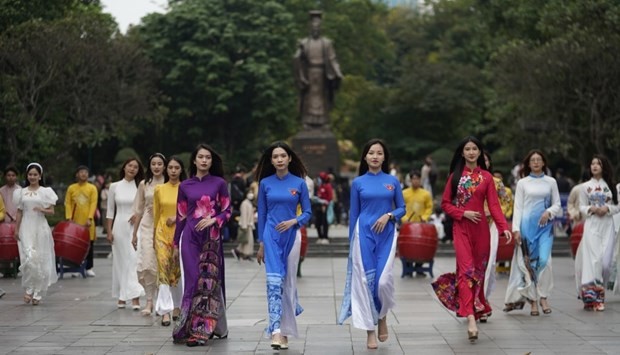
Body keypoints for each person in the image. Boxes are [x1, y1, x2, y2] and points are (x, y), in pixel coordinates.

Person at [432, 136, 511, 342]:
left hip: (482, 231)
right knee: (466, 271)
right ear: (462, 153)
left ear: (479, 152)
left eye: (474, 148)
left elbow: (494, 205)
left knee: (478, 273)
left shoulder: (486, 177)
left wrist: (504, 227)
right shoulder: (455, 177)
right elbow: (445, 204)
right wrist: (462, 213)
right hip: (461, 229)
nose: (471, 152)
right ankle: (470, 319)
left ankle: (475, 307)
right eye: (467, 149)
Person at [338, 139, 406, 350]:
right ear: (365, 157)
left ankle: (383, 315)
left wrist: (388, 215)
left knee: (383, 281)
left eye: (379, 153)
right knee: (366, 283)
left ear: (384, 157)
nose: (375, 156)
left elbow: (402, 208)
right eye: (371, 153)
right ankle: (370, 330)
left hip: (386, 235)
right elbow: (354, 214)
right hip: (363, 235)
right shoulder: (358, 183)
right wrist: (351, 243)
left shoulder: (392, 181)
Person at [172, 144, 232, 346]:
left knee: (208, 282)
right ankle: (186, 325)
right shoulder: (185, 186)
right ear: (194, 160)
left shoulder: (219, 183)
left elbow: (227, 211)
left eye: (208, 157)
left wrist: (214, 220)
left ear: (211, 161)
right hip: (189, 237)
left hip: (212, 238)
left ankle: (201, 331)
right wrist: (174, 243)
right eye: (201, 157)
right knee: (193, 280)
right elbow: (180, 216)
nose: (204, 160)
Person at [255, 141, 311, 350]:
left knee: (287, 284)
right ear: (271, 161)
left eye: (282, 156)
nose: (279, 159)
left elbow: (307, 212)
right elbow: (262, 214)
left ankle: (285, 332)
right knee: (273, 283)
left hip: (292, 237)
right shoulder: (265, 184)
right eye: (275, 157)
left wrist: (294, 221)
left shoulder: (299, 184)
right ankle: (275, 331)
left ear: (289, 159)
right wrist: (261, 243)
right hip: (270, 237)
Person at [503, 150, 561, 317]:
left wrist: (548, 212)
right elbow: (518, 207)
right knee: (528, 265)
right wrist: (515, 229)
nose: (536, 162)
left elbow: (557, 204)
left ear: (544, 163)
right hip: (527, 227)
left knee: (544, 261)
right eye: (532, 160)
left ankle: (543, 296)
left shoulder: (551, 182)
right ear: (528, 164)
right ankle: (534, 301)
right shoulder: (523, 183)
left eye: (539, 160)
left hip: (545, 228)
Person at [574, 155, 620, 311]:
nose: (594, 166)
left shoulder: (611, 187)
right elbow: (581, 206)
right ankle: (595, 298)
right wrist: (591, 209)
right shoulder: (585, 187)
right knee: (593, 261)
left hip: (607, 226)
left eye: (598, 164)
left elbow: (617, 206)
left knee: (606, 263)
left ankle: (596, 293)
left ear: (604, 167)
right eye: (592, 163)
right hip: (592, 225)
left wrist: (607, 209)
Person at [13, 163, 58, 305]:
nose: (32, 177)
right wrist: (16, 228)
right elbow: (19, 211)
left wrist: (41, 209)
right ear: (27, 176)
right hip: (26, 226)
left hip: (40, 227)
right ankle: (29, 288)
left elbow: (52, 211)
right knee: (28, 257)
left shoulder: (46, 192)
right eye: (30, 174)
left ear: (40, 176)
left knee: (41, 259)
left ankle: (38, 291)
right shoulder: (21, 192)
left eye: (35, 174)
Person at [106, 158, 146, 310]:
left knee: (133, 260)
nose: (132, 169)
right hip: (119, 227)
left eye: (136, 167)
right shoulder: (114, 186)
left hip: (136, 228)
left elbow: (145, 207)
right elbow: (110, 211)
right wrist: (109, 231)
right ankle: (122, 295)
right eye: (130, 166)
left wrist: (137, 215)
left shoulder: (140, 186)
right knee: (121, 262)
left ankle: (135, 297)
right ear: (124, 167)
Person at [293, 10, 343, 130]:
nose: (315, 29)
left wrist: (338, 73)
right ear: (310, 28)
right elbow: (296, 58)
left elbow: (332, 59)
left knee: (322, 98)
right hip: (309, 73)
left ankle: (324, 122)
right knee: (308, 98)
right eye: (313, 27)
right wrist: (301, 76)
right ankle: (307, 122)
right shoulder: (305, 43)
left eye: (318, 27)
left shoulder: (326, 43)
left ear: (321, 28)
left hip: (323, 74)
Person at [153, 156, 186, 326]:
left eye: (176, 168)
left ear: (181, 170)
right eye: (171, 168)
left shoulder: (186, 188)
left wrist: (178, 217)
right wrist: (153, 237)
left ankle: (178, 306)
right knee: (163, 270)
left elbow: (191, 212)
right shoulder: (159, 189)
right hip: (161, 234)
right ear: (167, 170)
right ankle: (165, 311)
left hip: (180, 234)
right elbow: (157, 214)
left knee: (177, 271)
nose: (173, 171)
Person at [132, 153, 166, 316]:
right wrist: (134, 234)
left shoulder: (169, 183)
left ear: (164, 166)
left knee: (162, 263)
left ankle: (162, 301)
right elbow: (138, 210)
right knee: (147, 262)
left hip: (164, 226)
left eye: (160, 164)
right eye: (154, 164)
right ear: (149, 166)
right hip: (146, 225)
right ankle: (149, 301)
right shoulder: (144, 184)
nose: (157, 167)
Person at [482, 153, 513, 303]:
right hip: (474, 224)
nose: (483, 161)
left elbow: (507, 202)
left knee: (490, 262)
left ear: (489, 163)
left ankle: (483, 298)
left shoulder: (497, 182)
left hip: (492, 225)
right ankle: (474, 298)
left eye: (485, 159)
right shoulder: (469, 181)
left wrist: (497, 213)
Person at [64, 165, 98, 276]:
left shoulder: (92, 188)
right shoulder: (71, 188)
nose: (83, 174)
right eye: (81, 172)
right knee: (75, 245)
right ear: (77, 174)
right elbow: (67, 203)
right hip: (74, 221)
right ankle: (76, 267)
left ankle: (89, 267)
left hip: (88, 222)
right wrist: (69, 218)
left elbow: (93, 203)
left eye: (85, 172)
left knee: (89, 244)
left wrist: (90, 218)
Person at [401, 169, 433, 276]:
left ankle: (419, 268)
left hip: (421, 226)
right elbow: (400, 207)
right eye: (413, 179)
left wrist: (425, 217)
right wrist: (405, 219)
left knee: (422, 246)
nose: (415, 181)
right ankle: (408, 268)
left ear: (420, 180)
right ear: (410, 180)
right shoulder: (404, 193)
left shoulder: (426, 194)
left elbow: (429, 207)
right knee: (407, 246)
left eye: (417, 179)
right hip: (408, 225)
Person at [232, 191, 255, 261]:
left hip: (249, 224)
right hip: (246, 224)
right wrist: (244, 226)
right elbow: (244, 215)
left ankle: (241, 253)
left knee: (246, 241)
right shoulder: (245, 203)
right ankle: (244, 254)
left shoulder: (249, 203)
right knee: (247, 241)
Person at [315, 171, 333, 244]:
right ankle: (320, 236)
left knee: (324, 222)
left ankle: (325, 237)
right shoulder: (320, 186)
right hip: (318, 205)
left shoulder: (328, 186)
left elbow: (330, 197)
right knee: (318, 222)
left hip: (325, 207)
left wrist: (325, 205)